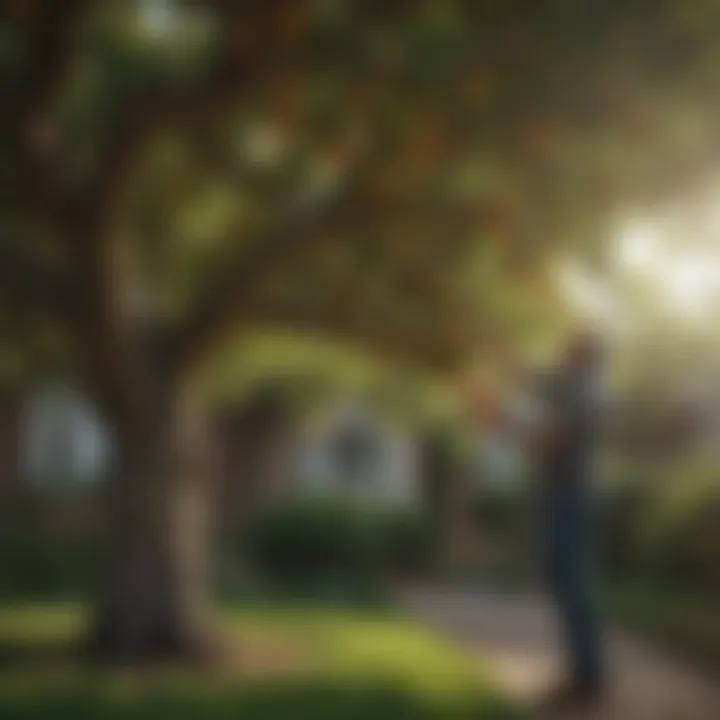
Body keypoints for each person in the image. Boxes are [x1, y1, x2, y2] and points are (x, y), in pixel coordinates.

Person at [534, 331, 606, 712]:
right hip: (567, 496)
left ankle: (587, 678)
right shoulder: (574, 389)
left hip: (572, 498)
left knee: (573, 582)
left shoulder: (585, 393)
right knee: (564, 580)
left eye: (567, 351)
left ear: (580, 356)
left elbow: (557, 440)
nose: (561, 357)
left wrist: (507, 426)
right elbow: (538, 380)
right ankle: (582, 673)